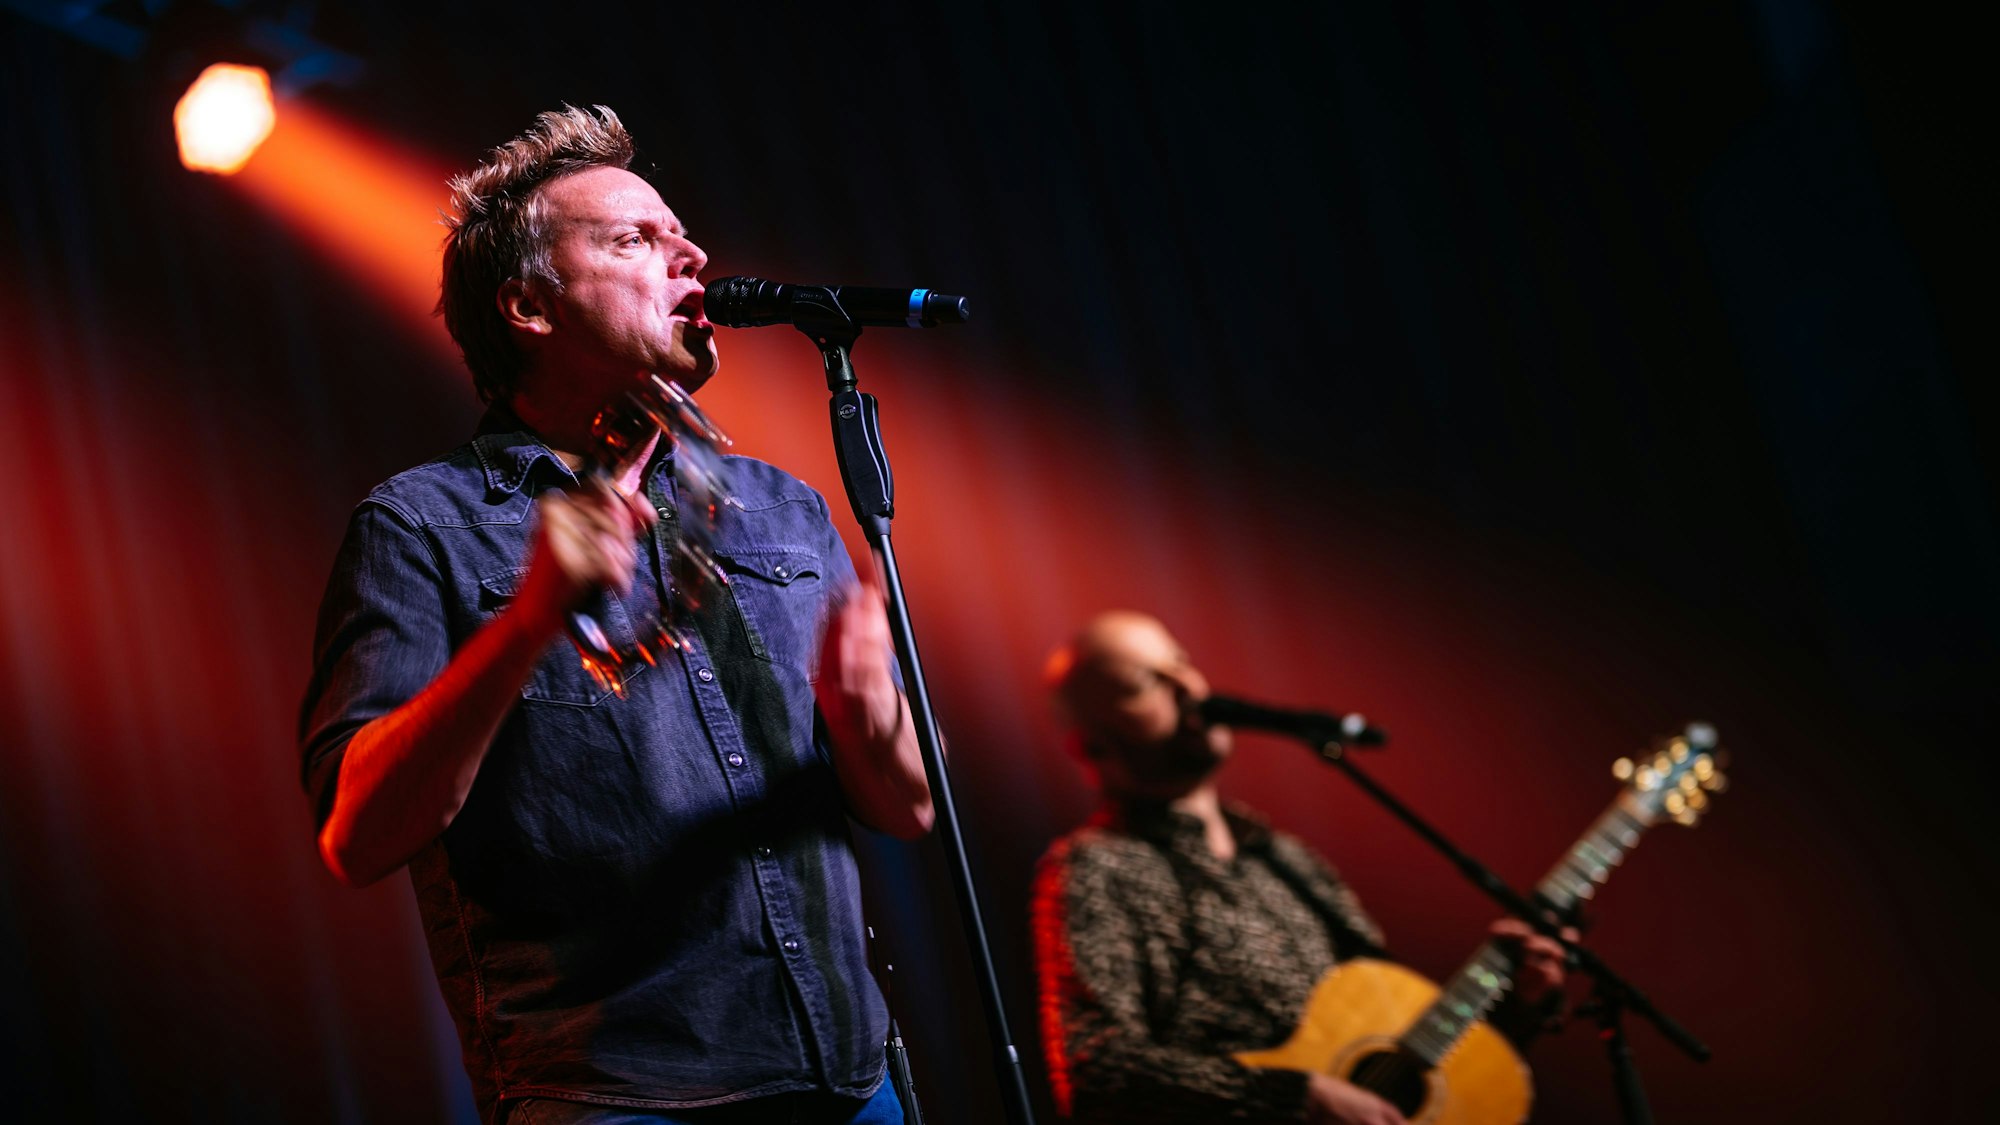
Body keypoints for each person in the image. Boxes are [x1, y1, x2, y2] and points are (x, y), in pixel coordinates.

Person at [297, 105, 932, 1125]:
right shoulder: (426, 523)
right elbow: (359, 832)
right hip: (618, 1097)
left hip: (848, 1084)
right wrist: (529, 620)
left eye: (680, 233)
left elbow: (904, 808)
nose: (690, 255)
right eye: (633, 238)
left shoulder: (783, 506)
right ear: (528, 307)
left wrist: (867, 718)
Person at [1030, 611, 1568, 1125]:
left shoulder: (1287, 858)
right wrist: (1292, 1099)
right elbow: (1093, 1069)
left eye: (1181, 661)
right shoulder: (1098, 867)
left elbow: (1400, 1062)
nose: (1190, 687)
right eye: (1144, 682)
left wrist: (1516, 1005)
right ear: (1091, 743)